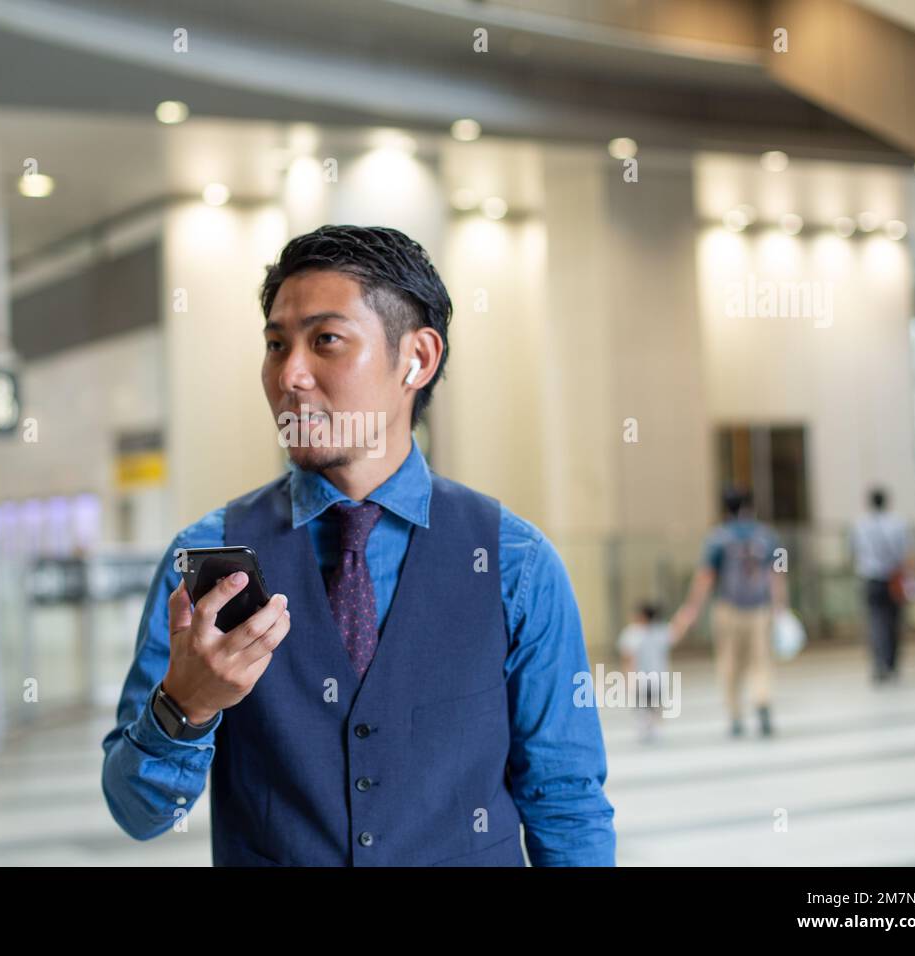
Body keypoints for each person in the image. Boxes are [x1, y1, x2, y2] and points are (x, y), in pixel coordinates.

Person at [101, 224, 615, 866]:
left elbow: (564, 799)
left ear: (417, 359)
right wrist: (187, 706)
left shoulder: (516, 563)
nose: (290, 374)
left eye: (327, 341)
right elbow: (136, 812)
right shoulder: (206, 557)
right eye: (275, 344)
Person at [670, 488, 787, 738]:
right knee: (761, 660)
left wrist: (691, 609)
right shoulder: (767, 535)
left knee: (729, 662)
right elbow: (778, 571)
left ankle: (735, 715)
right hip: (760, 608)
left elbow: (705, 576)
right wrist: (780, 607)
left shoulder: (717, 538)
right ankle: (762, 700)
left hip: (729, 608)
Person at [850, 487, 912, 684]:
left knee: (876, 622)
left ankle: (878, 663)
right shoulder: (898, 524)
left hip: (871, 579)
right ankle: (892, 663)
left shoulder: (860, 525)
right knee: (894, 622)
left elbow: (853, 551)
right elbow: (906, 553)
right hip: (894, 579)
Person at [617, 602, 678, 744]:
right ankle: (649, 726)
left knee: (647, 704)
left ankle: (648, 726)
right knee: (647, 703)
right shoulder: (660, 631)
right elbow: (676, 632)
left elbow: (627, 657)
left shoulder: (633, 633)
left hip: (646, 676)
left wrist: (628, 675)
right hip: (654, 676)